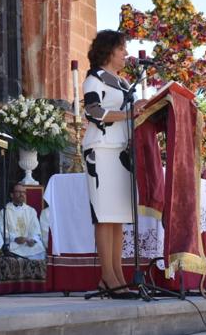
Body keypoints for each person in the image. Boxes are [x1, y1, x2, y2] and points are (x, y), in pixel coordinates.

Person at [82, 29, 145, 298]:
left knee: (118, 218)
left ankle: (117, 275)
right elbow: (93, 112)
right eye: (122, 49)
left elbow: (129, 114)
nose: (125, 54)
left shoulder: (121, 82)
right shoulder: (93, 78)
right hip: (101, 147)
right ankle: (107, 277)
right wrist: (129, 112)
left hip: (120, 150)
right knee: (104, 216)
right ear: (108, 51)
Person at [0, 183, 45, 260]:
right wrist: (15, 238)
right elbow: (2, 230)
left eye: (23, 192)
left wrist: (33, 239)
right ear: (12, 195)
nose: (22, 194)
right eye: (18, 192)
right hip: (14, 243)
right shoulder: (4, 211)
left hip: (29, 244)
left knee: (39, 250)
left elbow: (36, 229)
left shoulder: (31, 211)